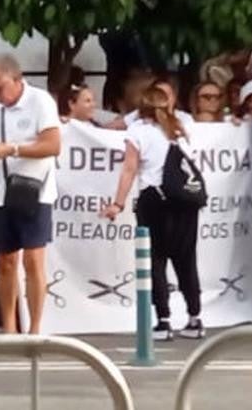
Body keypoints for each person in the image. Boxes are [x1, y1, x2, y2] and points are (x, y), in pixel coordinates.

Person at [101, 85, 205, 340]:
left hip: (154, 199)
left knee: (155, 260)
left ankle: (164, 321)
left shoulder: (138, 132)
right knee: (186, 260)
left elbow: (130, 169)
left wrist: (118, 203)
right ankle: (195, 318)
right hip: (185, 201)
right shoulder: (179, 130)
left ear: (142, 109)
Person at [0, 54, 62, 334]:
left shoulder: (40, 101)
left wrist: (12, 149)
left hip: (33, 191)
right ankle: (10, 326)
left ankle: (35, 328)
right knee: (5, 260)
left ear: (17, 79)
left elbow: (52, 145)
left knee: (33, 260)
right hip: (1, 191)